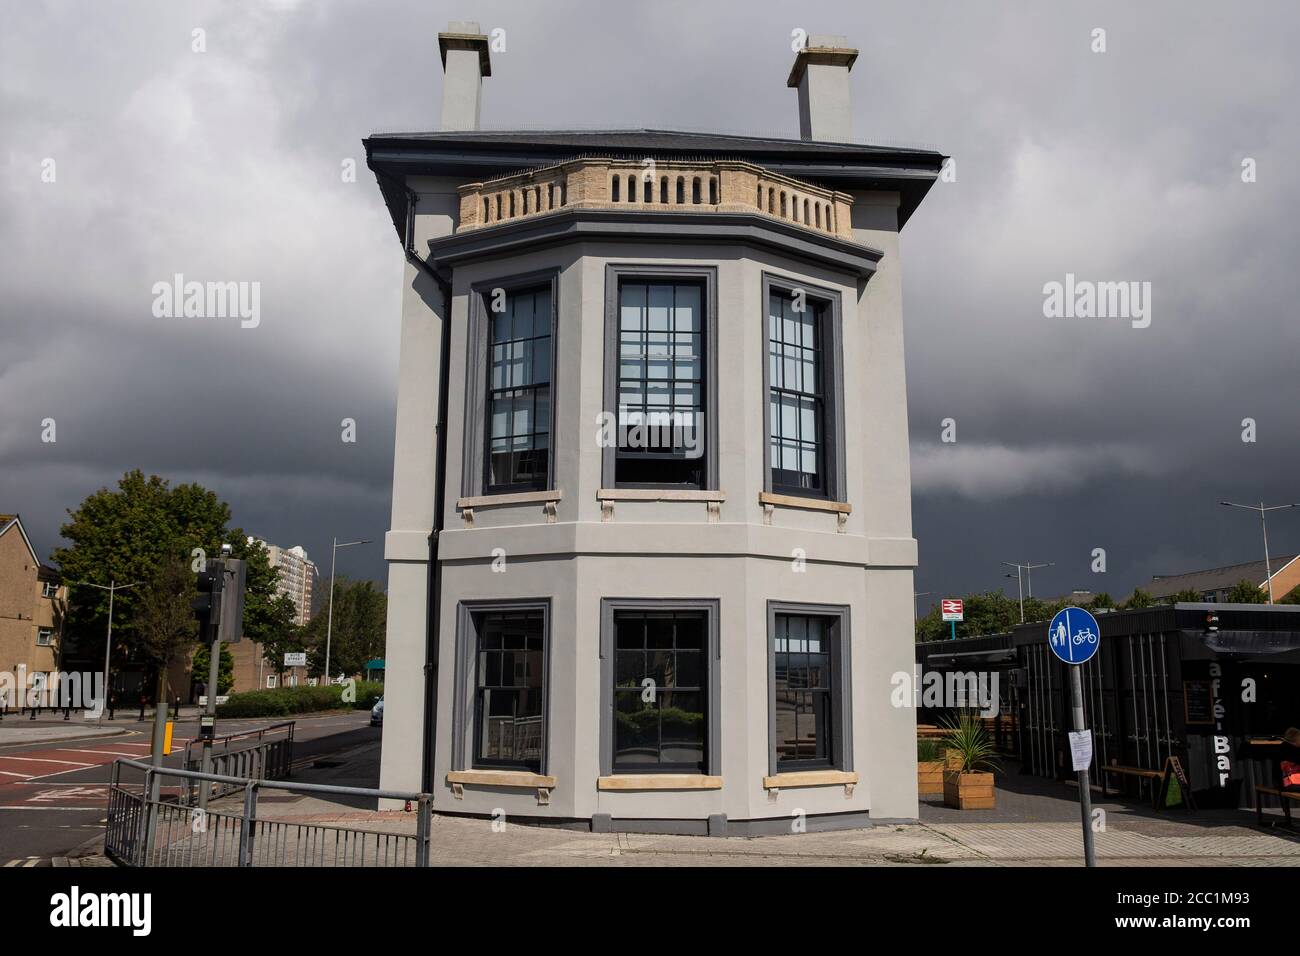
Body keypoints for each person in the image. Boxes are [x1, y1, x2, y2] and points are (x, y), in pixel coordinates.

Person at [1282, 727, 1300, 793]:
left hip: (1282, 783)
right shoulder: (1293, 750)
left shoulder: (1283, 747)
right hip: (1290, 784)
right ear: (1295, 739)